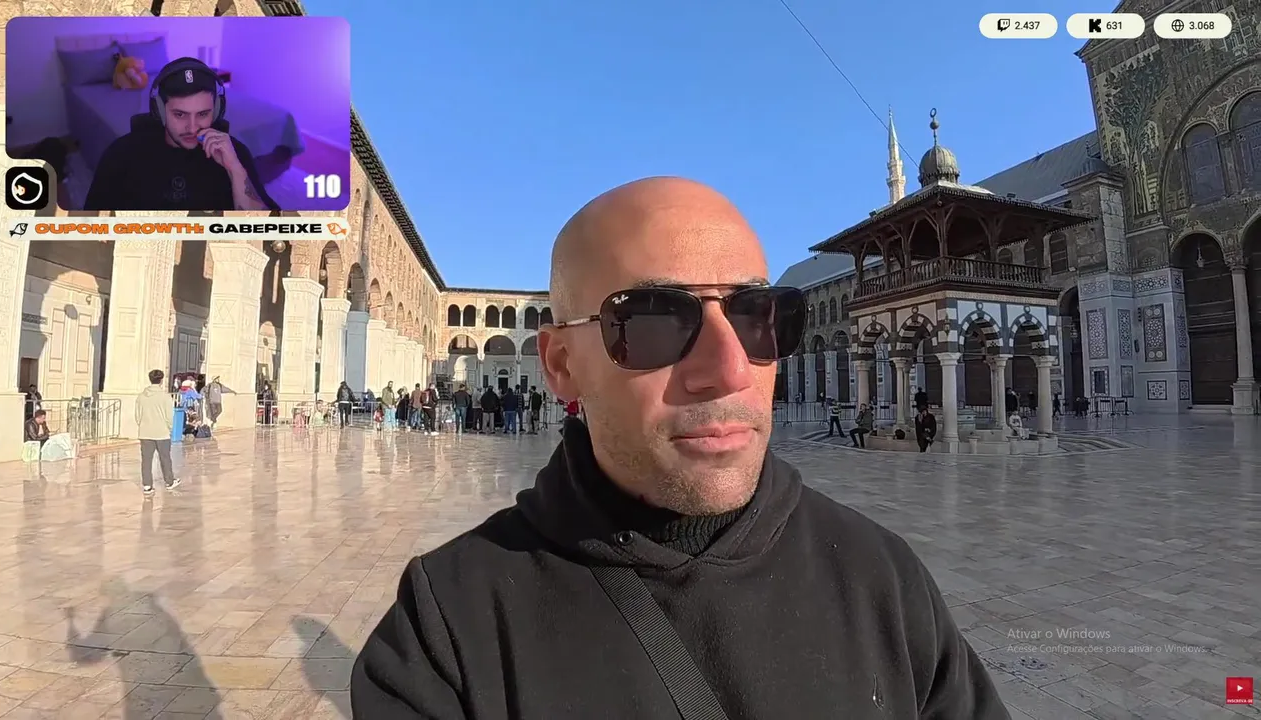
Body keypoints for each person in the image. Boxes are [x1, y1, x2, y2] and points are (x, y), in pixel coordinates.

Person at [351, 177, 1007, 718]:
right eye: (652, 322)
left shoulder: (882, 578)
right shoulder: (447, 633)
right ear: (560, 364)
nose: (729, 368)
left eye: (757, 316)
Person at [84, 57, 278, 212]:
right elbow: (92, 229)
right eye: (180, 114)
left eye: (203, 114)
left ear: (217, 110)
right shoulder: (121, 154)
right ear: (160, 111)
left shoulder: (234, 152)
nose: (192, 128)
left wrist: (235, 169)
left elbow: (267, 232)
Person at [137, 369, 179, 495]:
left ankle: (147, 485)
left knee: (146, 460)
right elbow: (169, 416)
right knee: (165, 458)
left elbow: (137, 415)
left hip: (145, 432)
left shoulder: (141, 396)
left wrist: (142, 425)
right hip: (162, 432)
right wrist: (169, 428)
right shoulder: (165, 397)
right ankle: (169, 481)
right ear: (161, 380)